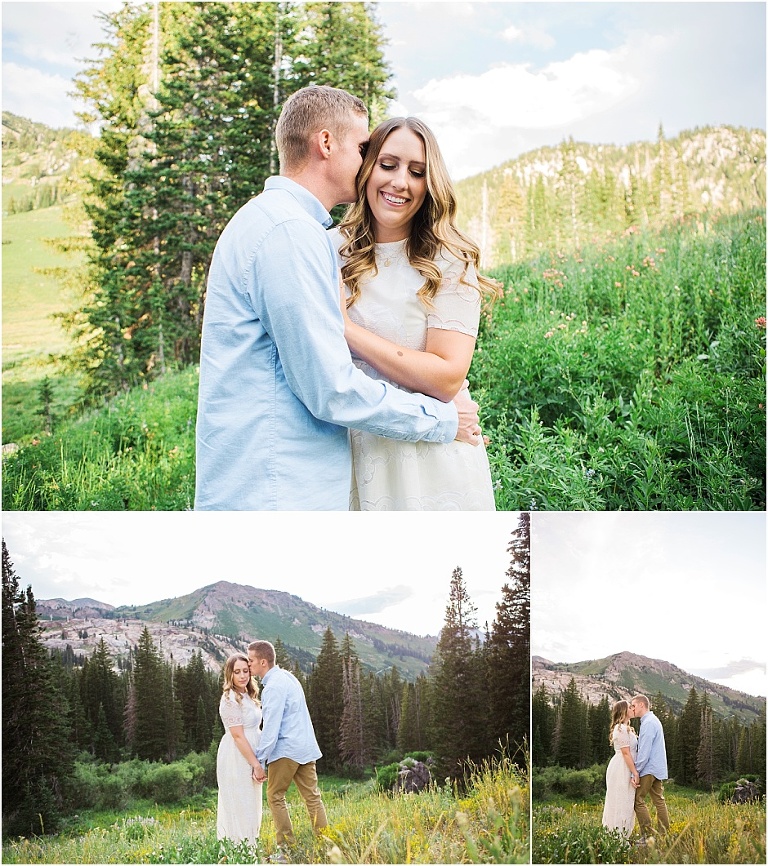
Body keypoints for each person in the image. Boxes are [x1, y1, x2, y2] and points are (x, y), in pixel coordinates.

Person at [195, 85, 483, 511]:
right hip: (281, 483)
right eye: (373, 153)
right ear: (326, 143)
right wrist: (441, 419)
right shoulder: (298, 236)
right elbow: (329, 389)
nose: (392, 177)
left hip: (396, 466)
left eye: (418, 171)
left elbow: (447, 374)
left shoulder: (284, 226)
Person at [333, 116, 502, 510]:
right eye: (387, 165)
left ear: (431, 183)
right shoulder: (328, 250)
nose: (399, 182)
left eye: (417, 172)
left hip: (434, 456)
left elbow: (446, 377)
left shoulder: (449, 259)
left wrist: (346, 331)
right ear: (367, 167)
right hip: (351, 451)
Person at [248, 640, 328, 853]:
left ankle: (286, 848)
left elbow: (271, 728)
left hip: (285, 750)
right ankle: (327, 845)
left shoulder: (272, 687)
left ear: (263, 662)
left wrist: (260, 760)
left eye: (251, 660)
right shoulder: (288, 677)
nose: (248, 665)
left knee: (275, 796)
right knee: (312, 797)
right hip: (305, 746)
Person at [216, 653, 266, 846]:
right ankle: (239, 849)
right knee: (241, 802)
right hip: (237, 756)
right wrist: (255, 764)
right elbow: (237, 735)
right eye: (237, 672)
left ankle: (249, 847)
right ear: (230, 674)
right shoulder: (230, 699)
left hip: (251, 753)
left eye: (246, 671)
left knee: (252, 803)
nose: (243, 676)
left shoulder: (248, 695)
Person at [631, 693, 670, 840]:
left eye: (633, 705)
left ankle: (647, 836)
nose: (632, 709)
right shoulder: (654, 720)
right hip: (657, 768)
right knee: (659, 800)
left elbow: (644, 752)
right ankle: (664, 834)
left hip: (648, 769)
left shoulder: (647, 723)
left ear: (642, 705)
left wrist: (635, 772)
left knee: (637, 799)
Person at [601, 699, 639, 838]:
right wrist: (635, 772)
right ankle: (616, 836)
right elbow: (625, 753)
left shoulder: (626, 728)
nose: (632, 708)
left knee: (627, 801)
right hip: (621, 768)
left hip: (626, 766)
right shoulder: (620, 728)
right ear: (623, 711)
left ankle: (622, 834)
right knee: (620, 800)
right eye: (630, 707)